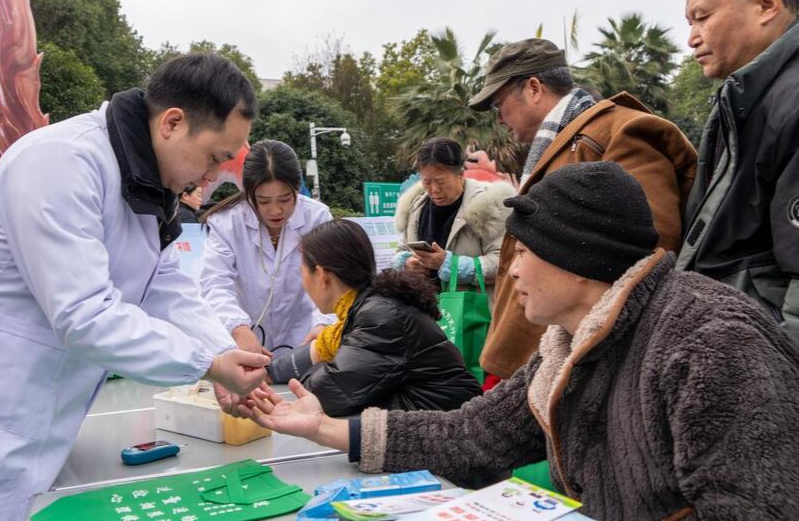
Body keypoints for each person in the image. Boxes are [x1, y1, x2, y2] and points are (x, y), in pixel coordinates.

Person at [241, 162, 799, 521]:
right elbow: (476, 434)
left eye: (523, 253)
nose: (509, 273)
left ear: (578, 262)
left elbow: (761, 506)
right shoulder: (570, 341)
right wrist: (323, 427)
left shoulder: (712, 344)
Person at [0, 54, 271, 521]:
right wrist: (208, 364)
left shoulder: (144, 185)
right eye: (213, 158)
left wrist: (225, 352)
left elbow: (162, 282)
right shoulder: (60, 162)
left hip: (32, 418)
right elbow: (85, 314)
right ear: (172, 123)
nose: (210, 178)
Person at [468, 38, 697, 384]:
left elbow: (645, 256)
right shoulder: (557, 141)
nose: (499, 120)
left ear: (533, 88)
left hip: (576, 360)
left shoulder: (621, 131)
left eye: (499, 106)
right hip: (539, 353)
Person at [679, 0, 799, 348]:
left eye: (702, 17)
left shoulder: (789, 100)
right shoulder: (744, 97)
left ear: (766, 3)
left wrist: (783, 374)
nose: (692, 38)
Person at [266, 220, 481, 416]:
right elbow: (321, 352)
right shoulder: (371, 305)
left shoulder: (380, 317)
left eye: (301, 271)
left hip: (449, 433)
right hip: (431, 425)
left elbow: (326, 394)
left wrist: (320, 362)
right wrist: (269, 370)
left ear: (321, 275)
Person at [200, 140, 334, 356]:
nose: (275, 210)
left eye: (284, 199)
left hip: (305, 341)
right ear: (249, 193)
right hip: (242, 343)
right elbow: (214, 283)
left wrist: (324, 325)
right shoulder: (227, 223)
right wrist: (237, 327)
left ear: (297, 189)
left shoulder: (317, 217)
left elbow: (332, 280)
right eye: (262, 201)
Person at [394, 137, 514, 293]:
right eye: (427, 182)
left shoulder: (489, 204)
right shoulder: (415, 205)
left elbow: (505, 262)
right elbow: (401, 250)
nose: (434, 189)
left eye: (441, 181)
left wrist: (449, 264)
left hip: (471, 313)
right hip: (423, 309)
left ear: (461, 174)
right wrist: (407, 263)